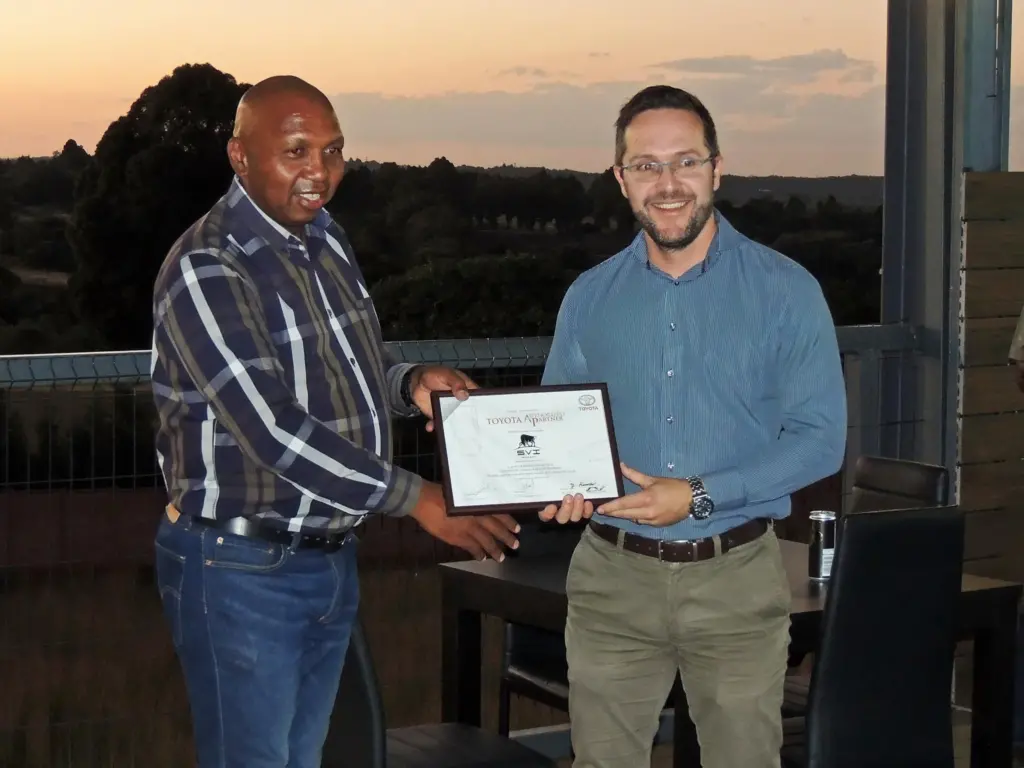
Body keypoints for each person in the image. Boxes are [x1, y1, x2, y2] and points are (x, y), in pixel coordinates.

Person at [149, 75, 520, 768]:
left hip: (326, 557)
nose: (319, 171)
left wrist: (409, 383)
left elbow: (350, 364)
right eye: (295, 151)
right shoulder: (209, 264)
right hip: (239, 567)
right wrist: (420, 501)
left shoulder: (323, 237)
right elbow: (275, 432)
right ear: (239, 155)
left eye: (332, 151)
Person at [538, 85, 847, 768]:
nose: (667, 183)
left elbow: (821, 438)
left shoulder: (786, 290)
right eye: (645, 165)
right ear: (620, 179)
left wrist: (700, 492)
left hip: (737, 578)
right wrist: (560, 483)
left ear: (716, 168)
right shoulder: (589, 297)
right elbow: (563, 431)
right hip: (610, 584)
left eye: (685, 162)